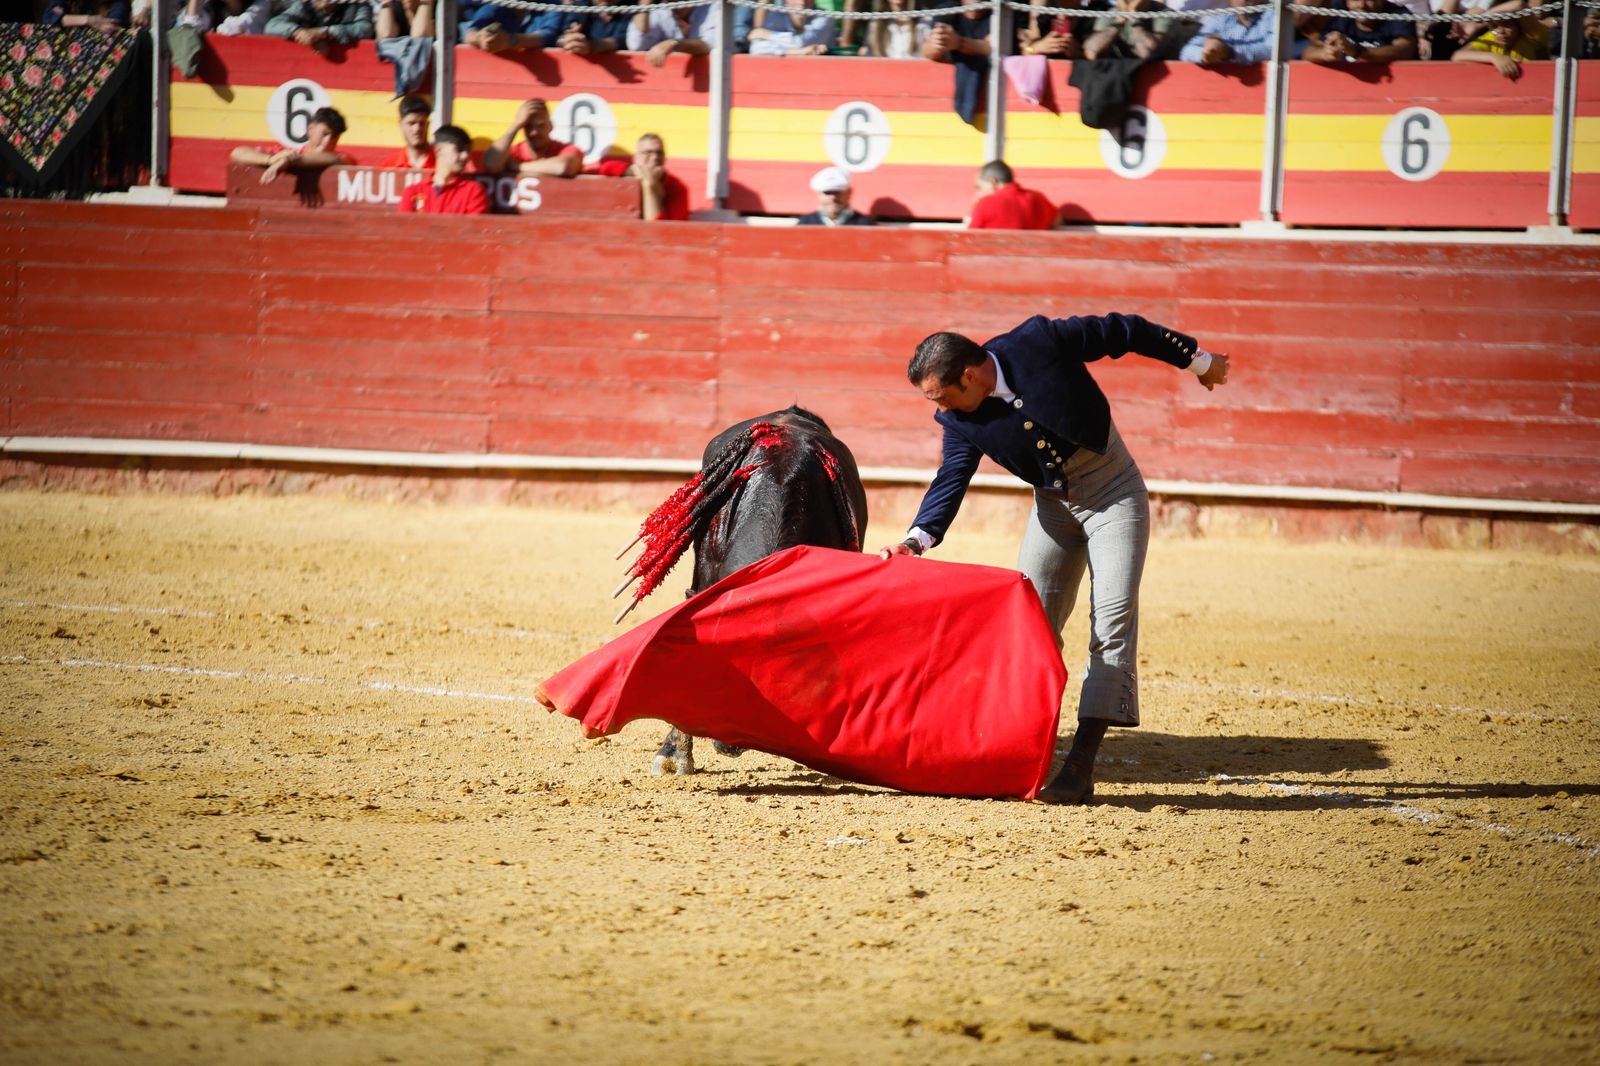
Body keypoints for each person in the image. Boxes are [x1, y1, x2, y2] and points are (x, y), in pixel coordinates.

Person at [878, 316, 1230, 804]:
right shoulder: (958, 418)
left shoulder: (1038, 342)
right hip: (1053, 508)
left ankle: (1080, 765)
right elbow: (951, 477)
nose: (938, 409)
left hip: (1113, 494)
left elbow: (1124, 331)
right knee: (1029, 623)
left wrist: (1197, 360)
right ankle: (1011, 747)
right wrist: (914, 541)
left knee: (1111, 622)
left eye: (940, 396)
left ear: (970, 377)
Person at [229, 106, 355, 184]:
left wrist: (289, 160)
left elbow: (334, 159)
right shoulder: (285, 153)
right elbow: (237, 152)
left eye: (334, 137)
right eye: (325, 134)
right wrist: (270, 160)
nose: (327, 141)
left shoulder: (343, 157)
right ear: (310, 129)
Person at [595, 133, 691, 221]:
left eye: (659, 153)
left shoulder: (677, 187)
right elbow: (606, 168)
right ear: (636, 157)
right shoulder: (628, 171)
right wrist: (634, 171)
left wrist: (649, 185)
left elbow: (662, 229)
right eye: (648, 152)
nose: (654, 157)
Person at [480, 98, 583, 178]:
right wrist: (516, 124)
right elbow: (491, 164)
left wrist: (516, 166)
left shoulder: (565, 149)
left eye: (540, 126)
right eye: (528, 126)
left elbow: (563, 167)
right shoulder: (514, 152)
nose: (534, 132)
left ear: (551, 126)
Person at [398, 126, 490, 215]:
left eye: (467, 151)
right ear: (438, 150)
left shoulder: (473, 191)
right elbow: (404, 228)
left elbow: (473, 229)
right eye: (459, 149)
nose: (465, 156)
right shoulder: (413, 192)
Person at [1301, 0, 1417, 65]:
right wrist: (1325, 53)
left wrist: (1357, 51)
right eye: (1356, 0)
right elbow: (1310, 50)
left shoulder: (1397, 14)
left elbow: (1405, 50)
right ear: (1347, 2)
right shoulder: (1341, 13)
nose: (1362, 5)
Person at [1450, 8, 1549, 77]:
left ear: (1519, 26)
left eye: (1507, 25)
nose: (1501, 32)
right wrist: (1494, 57)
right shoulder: (1491, 38)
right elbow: (1457, 56)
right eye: (1494, 27)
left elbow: (1518, 4)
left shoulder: (1531, 37)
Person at [1178, 0, 1279, 64]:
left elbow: (1272, 50)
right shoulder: (1221, 18)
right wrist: (1205, 53)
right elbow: (1186, 52)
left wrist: (1228, 52)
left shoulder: (1275, 15)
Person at [1082, 0, 1188, 60]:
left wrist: (1133, 15)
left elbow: (1146, 53)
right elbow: (1092, 52)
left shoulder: (1164, 13)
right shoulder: (1112, 13)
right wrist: (1120, 19)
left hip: (1161, 79)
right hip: (1123, 79)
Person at [968, 160, 1057, 230]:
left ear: (992, 182)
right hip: (1034, 252)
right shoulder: (1038, 198)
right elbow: (1057, 220)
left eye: (978, 187)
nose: (977, 194)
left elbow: (970, 239)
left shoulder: (985, 203)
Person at [627, 0, 717, 67]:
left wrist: (674, 44)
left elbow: (711, 44)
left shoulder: (714, 6)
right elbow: (637, 44)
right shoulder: (662, 10)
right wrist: (644, 6)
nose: (672, 2)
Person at [264, 0, 374, 53]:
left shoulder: (356, 5)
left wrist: (325, 32)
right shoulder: (303, 5)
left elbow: (365, 29)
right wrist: (299, 32)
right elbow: (272, 26)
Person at [749, 0, 838, 56]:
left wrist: (769, 35)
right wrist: (799, 52)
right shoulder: (777, 15)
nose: (802, 2)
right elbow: (757, 48)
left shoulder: (825, 17)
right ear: (786, 1)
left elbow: (801, 43)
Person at [797, 166, 876, 226]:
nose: (833, 197)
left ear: (849, 193)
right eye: (827, 193)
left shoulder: (865, 224)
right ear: (819, 195)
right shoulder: (805, 223)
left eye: (837, 192)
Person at [377, 95, 435, 171]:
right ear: (401, 125)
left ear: (428, 125)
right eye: (411, 123)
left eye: (422, 123)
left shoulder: (442, 165)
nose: (417, 129)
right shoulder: (388, 167)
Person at [555, 0, 631, 56]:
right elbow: (562, 34)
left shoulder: (632, 7)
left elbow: (629, 39)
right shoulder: (581, 6)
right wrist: (567, 40)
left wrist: (593, 46)